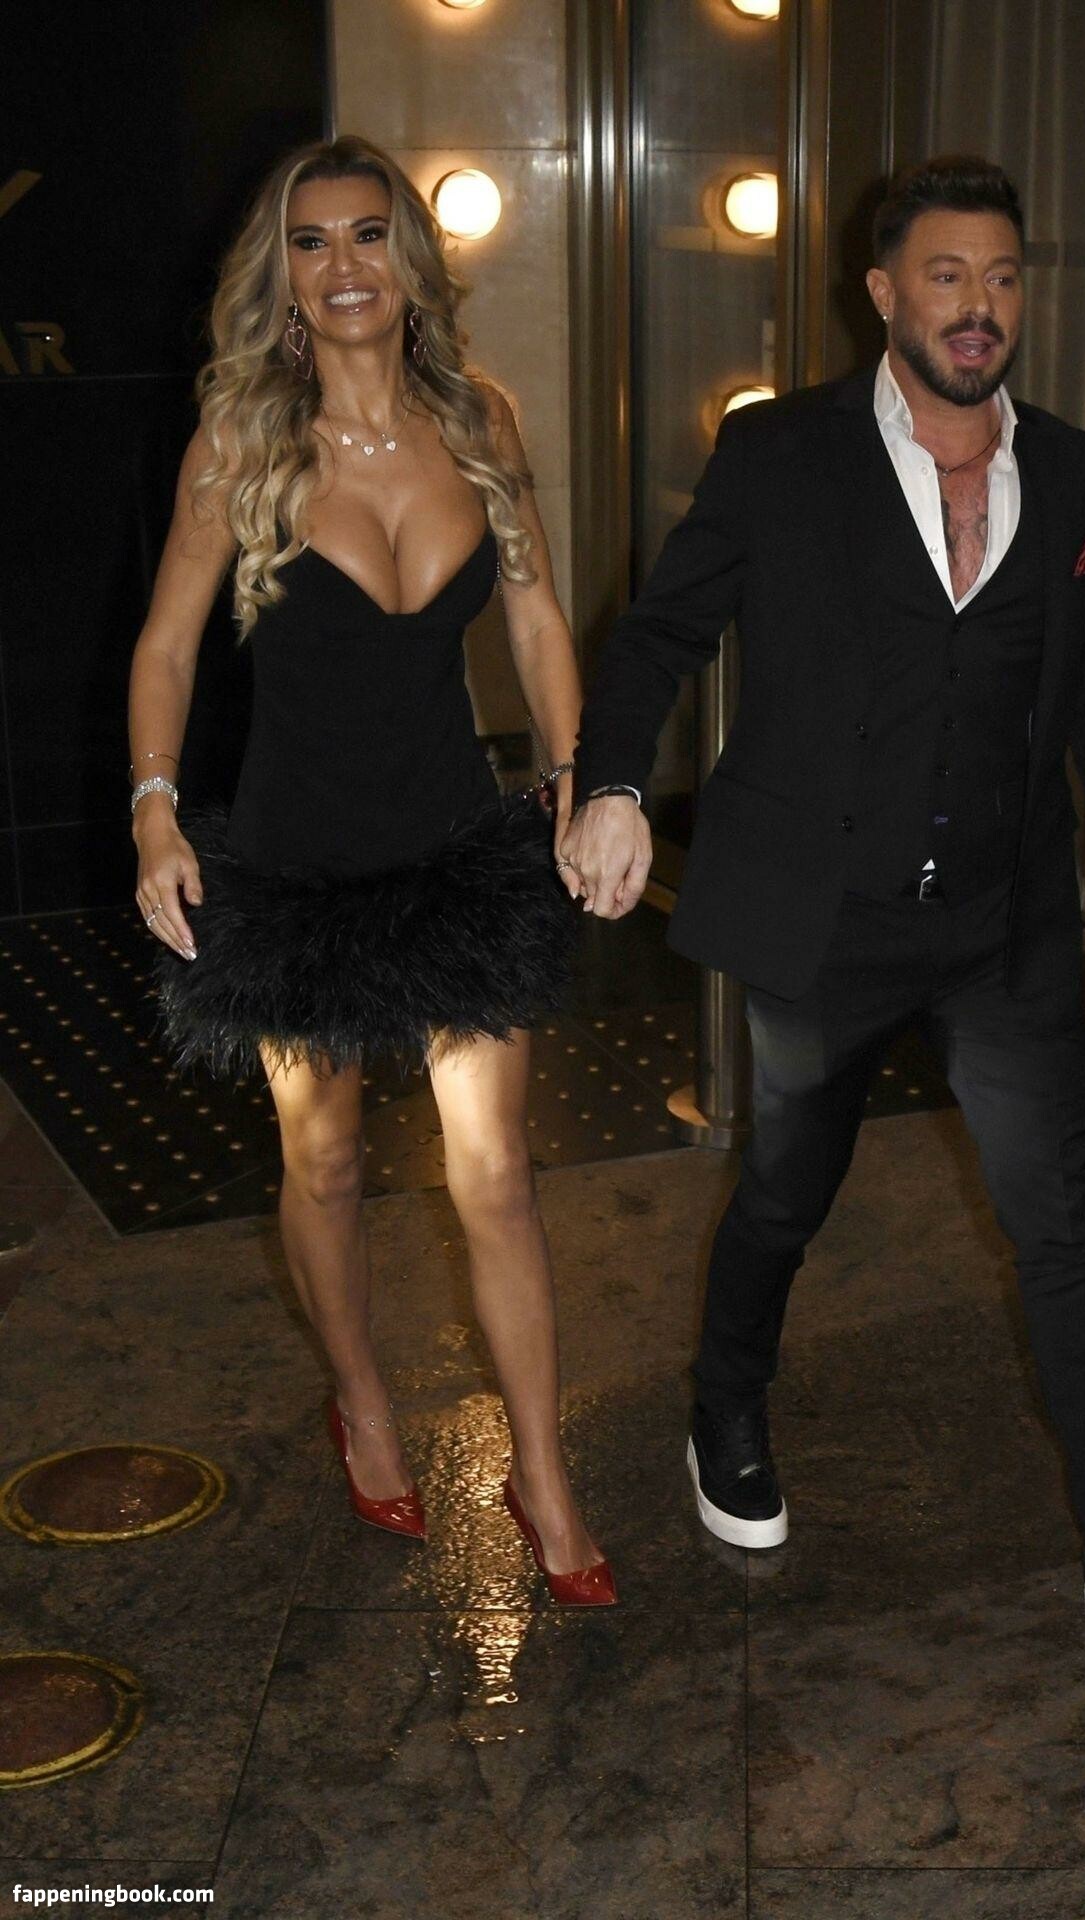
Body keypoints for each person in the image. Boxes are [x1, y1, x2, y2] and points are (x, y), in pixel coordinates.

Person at [562, 156, 1085, 1640]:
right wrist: (610, 784)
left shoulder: (1077, 473)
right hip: (827, 917)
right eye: (946, 275)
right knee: (786, 1191)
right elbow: (660, 633)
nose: (977, 304)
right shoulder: (778, 453)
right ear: (882, 294)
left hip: (1000, 921)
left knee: (1059, 1223)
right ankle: (724, 1403)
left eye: (1001, 276)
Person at [129, 135, 614, 1606]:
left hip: (458, 852)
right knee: (325, 1160)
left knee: (496, 1171)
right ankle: (363, 1402)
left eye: (367, 235)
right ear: (280, 277)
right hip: (295, 869)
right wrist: (156, 812)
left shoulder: (479, 420)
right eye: (311, 241)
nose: (343, 266)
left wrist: (581, 773)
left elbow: (535, 620)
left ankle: (543, 1472)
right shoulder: (241, 444)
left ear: (409, 259)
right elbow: (164, 647)